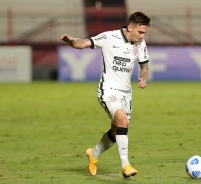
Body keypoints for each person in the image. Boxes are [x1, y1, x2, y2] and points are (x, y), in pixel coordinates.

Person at [59, 11, 151, 179]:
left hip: (126, 94)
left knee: (117, 133)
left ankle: (93, 154)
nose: (142, 36)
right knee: (122, 121)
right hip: (108, 90)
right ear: (130, 27)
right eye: (140, 32)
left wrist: (143, 78)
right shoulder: (110, 37)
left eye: (144, 32)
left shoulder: (141, 44)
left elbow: (144, 67)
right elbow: (84, 43)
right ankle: (126, 166)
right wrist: (71, 41)